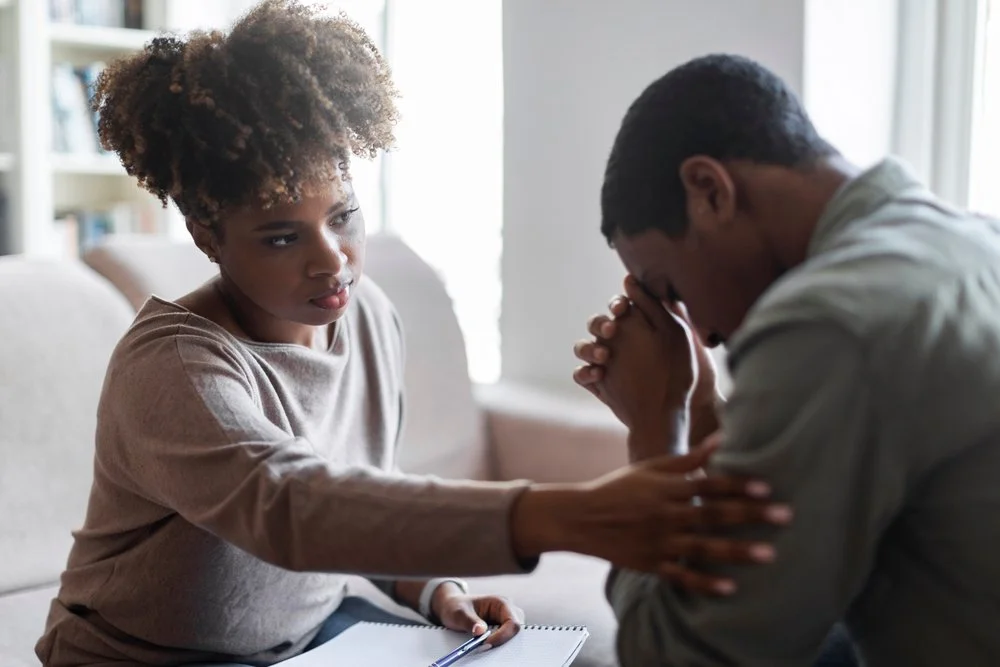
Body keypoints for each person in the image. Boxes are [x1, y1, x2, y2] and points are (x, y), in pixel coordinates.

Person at [34, 6, 794, 666]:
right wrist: (562, 513)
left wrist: (436, 591)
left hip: (307, 636)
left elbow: (364, 497)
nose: (332, 259)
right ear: (207, 237)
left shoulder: (366, 316)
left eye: (343, 216)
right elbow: (291, 504)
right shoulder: (175, 363)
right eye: (280, 237)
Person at [572, 52, 1000, 666]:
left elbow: (683, 656)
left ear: (709, 190)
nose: (702, 333)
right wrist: (700, 408)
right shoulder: (972, 240)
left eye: (672, 290)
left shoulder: (830, 319)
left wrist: (655, 428)